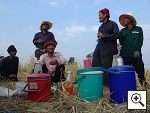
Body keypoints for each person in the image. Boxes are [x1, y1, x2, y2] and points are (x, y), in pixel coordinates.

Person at [92, 8, 119, 85]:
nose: (99, 17)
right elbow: (101, 37)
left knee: (106, 68)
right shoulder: (100, 27)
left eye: (100, 15)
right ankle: (99, 84)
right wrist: (99, 37)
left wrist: (104, 36)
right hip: (99, 48)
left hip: (108, 50)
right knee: (95, 64)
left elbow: (117, 35)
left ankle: (107, 86)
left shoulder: (113, 24)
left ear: (105, 15)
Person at [119, 14, 147, 87]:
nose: (123, 21)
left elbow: (140, 41)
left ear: (130, 20)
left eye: (125, 19)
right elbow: (121, 42)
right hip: (126, 55)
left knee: (140, 70)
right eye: (122, 20)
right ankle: (129, 87)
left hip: (136, 54)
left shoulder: (138, 29)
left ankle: (143, 85)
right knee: (128, 72)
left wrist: (137, 50)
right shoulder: (122, 31)